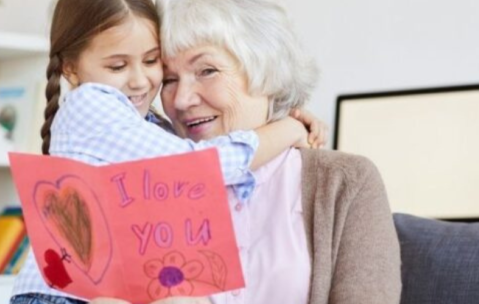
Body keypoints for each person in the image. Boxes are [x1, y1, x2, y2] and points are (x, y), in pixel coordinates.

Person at [10, 0, 329, 303]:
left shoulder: (144, 124)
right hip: (61, 296)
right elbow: (196, 167)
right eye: (118, 65)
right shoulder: (90, 104)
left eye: (151, 61)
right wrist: (287, 129)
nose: (139, 80)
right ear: (71, 69)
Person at [101, 0, 402, 303]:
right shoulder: (148, 179)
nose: (181, 100)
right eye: (169, 80)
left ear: (267, 71)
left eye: (206, 70)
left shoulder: (345, 181)